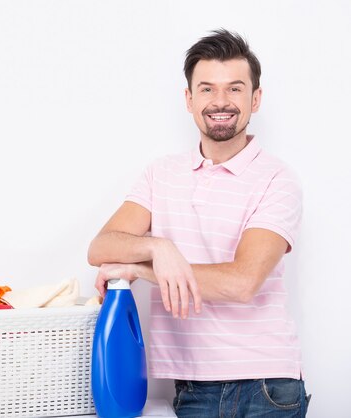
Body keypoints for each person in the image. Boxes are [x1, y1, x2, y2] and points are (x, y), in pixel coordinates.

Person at [88, 29, 310, 417]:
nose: (220, 101)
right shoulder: (161, 174)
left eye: (235, 89)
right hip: (191, 387)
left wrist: (146, 268)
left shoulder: (278, 179)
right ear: (189, 99)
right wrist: (160, 248)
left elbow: (243, 283)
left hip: (266, 385)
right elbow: (101, 247)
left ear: (256, 99)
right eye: (207, 89)